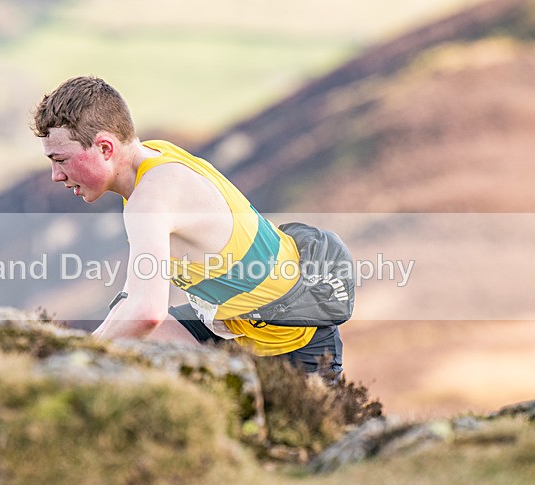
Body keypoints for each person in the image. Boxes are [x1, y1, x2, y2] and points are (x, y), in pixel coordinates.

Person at [31, 76, 344, 381]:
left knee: (133, 344)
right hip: (237, 326)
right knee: (132, 337)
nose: (56, 175)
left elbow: (147, 312)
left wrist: (70, 369)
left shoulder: (152, 196)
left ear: (105, 148)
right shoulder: (154, 158)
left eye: (61, 159)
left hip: (296, 344)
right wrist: (73, 353)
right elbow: (131, 300)